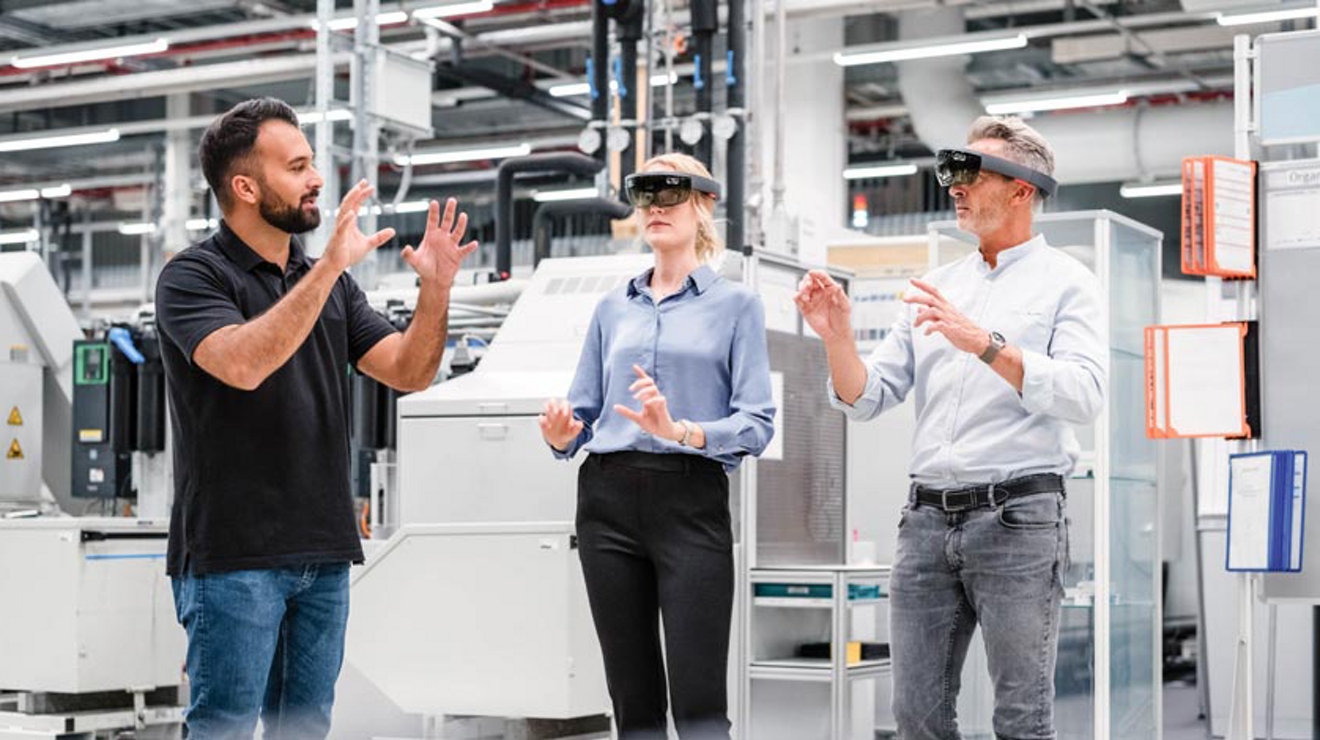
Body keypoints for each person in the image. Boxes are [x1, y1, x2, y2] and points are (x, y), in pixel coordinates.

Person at [155, 97, 477, 739]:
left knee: (304, 730)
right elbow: (243, 364)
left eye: (312, 164)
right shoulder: (192, 277)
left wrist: (436, 290)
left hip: (322, 549)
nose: (317, 180)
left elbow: (409, 371)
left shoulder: (330, 283)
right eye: (297, 167)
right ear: (246, 188)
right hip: (233, 556)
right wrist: (329, 266)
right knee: (222, 728)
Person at [795, 116, 1106, 740]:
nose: (954, 186)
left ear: (1022, 189)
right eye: (950, 173)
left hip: (1019, 520)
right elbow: (865, 398)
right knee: (917, 716)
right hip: (925, 524)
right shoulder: (935, 288)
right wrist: (837, 339)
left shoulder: (1068, 282)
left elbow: (1084, 393)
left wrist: (986, 345)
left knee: (1021, 717)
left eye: (971, 173)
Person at [538, 152, 775, 740]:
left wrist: (683, 431)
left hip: (689, 501)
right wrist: (563, 436)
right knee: (633, 702)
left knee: (698, 706)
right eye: (644, 195)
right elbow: (584, 413)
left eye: (670, 194)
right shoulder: (611, 307)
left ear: (704, 204)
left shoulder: (737, 306)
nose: (655, 208)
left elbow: (757, 422)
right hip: (607, 501)